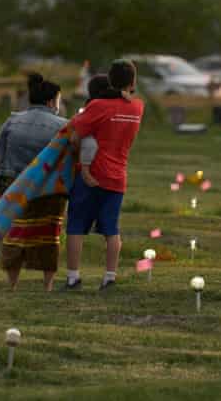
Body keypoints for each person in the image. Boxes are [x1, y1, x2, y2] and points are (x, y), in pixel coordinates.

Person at [65, 60, 144, 291]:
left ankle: (73, 278)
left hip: (90, 174)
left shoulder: (98, 106)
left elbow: (75, 133)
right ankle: (109, 277)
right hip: (117, 176)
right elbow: (125, 98)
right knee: (111, 229)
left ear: (110, 79)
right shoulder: (137, 108)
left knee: (76, 226)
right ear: (132, 82)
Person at [0, 73, 67, 291]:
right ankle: (47, 284)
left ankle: (12, 283)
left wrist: (1, 188)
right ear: (51, 101)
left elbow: (1, 156)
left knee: (15, 233)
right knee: (48, 234)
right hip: (48, 188)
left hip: (13, 183)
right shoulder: (62, 125)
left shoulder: (12, 121)